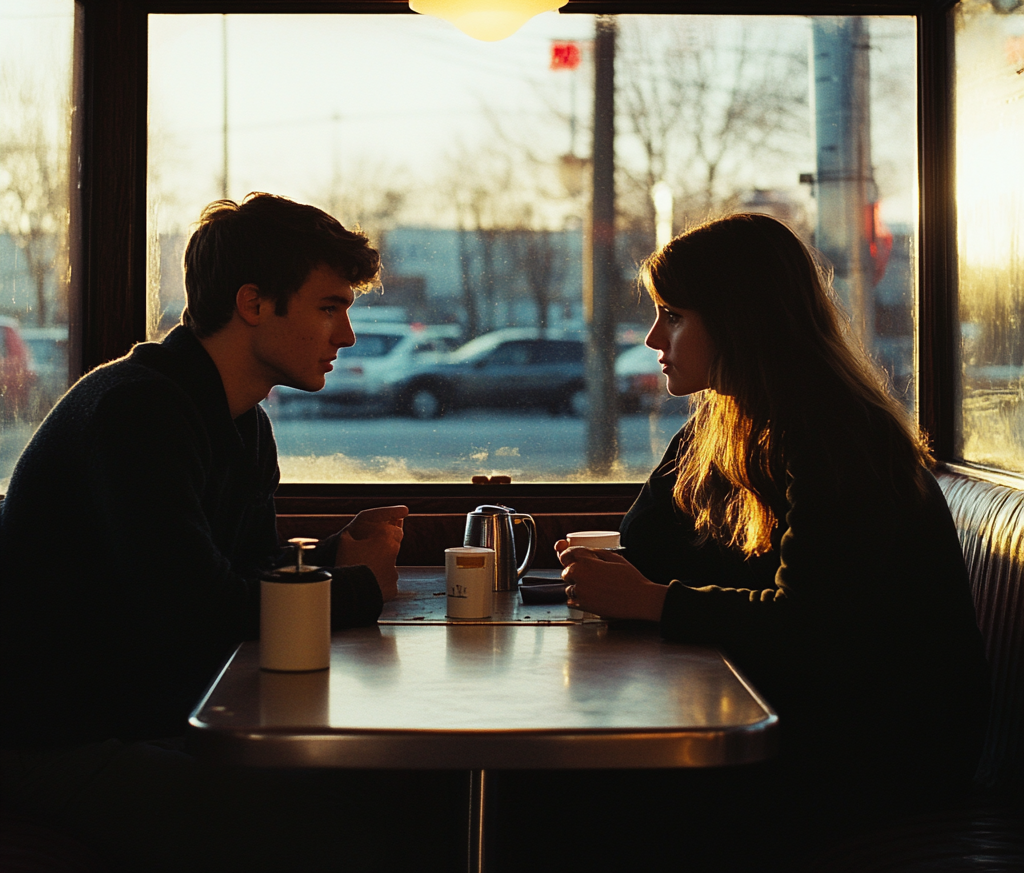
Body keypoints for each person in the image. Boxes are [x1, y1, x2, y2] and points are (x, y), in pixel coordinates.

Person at [0, 194, 454, 872]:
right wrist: (358, 587)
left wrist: (334, 556)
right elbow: (203, 613)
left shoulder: (240, 422)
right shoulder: (138, 412)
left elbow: (245, 573)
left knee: (397, 793)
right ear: (253, 303)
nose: (348, 335)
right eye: (330, 307)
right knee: (343, 829)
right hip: (54, 744)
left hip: (143, 719)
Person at [555, 213, 989, 866]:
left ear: (739, 319)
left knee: (579, 799)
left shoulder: (838, 435)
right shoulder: (732, 421)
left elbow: (814, 626)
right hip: (809, 721)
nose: (651, 337)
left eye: (672, 315)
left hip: (879, 757)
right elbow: (647, 539)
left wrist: (649, 600)